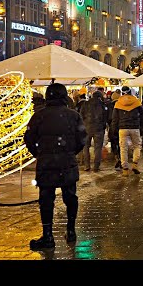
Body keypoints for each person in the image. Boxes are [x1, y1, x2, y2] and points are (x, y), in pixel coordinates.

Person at [24, 83, 87, 250]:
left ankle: (48, 236)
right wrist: (70, 152)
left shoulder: (39, 116)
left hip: (46, 164)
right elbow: (82, 139)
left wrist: (40, 153)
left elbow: (29, 139)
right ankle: (71, 230)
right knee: (70, 197)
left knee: (46, 200)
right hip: (67, 162)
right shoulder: (73, 116)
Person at [110, 85, 143, 175]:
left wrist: (113, 130)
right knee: (137, 146)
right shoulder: (137, 102)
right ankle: (135, 164)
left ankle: (125, 169)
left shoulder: (118, 103)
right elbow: (142, 116)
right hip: (135, 127)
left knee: (123, 148)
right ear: (130, 92)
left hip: (122, 128)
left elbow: (115, 119)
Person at [79, 90, 109, 171]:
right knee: (98, 148)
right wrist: (103, 126)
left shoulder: (85, 104)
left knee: (86, 147)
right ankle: (96, 166)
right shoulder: (102, 105)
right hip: (98, 129)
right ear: (100, 97)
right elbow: (105, 117)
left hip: (86, 128)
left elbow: (81, 116)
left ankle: (87, 165)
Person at [106, 89, 122, 168]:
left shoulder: (109, 105)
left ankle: (116, 155)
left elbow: (108, 117)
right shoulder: (121, 104)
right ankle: (120, 156)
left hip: (112, 126)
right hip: (121, 126)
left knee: (113, 141)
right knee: (120, 142)